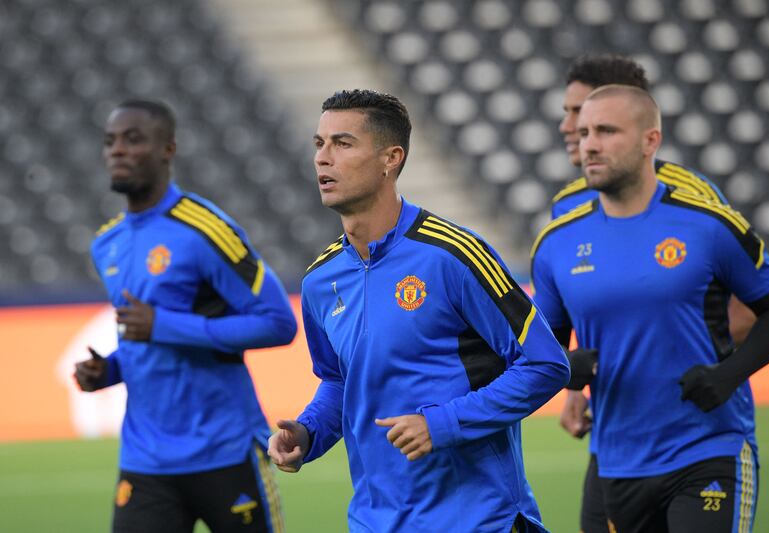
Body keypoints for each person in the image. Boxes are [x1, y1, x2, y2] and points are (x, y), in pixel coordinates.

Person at [267, 89, 569, 532]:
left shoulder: (453, 255)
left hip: (477, 520)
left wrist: (442, 424)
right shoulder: (319, 281)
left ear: (391, 158)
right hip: (375, 521)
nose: (322, 158)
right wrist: (309, 431)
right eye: (319, 144)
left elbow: (546, 364)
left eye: (342, 143)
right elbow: (339, 380)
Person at [530, 85, 769, 532]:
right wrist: (565, 372)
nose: (589, 143)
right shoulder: (556, 244)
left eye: (606, 130)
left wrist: (730, 375)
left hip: (709, 449)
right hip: (617, 460)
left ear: (650, 141)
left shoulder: (710, 225)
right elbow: (544, 344)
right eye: (584, 132)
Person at [73, 99, 297, 533]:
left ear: (168, 149)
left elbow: (277, 322)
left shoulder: (204, 230)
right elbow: (145, 340)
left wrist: (164, 324)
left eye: (133, 139)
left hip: (224, 449)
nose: (117, 150)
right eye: (110, 141)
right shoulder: (107, 244)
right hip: (146, 459)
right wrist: (109, 370)